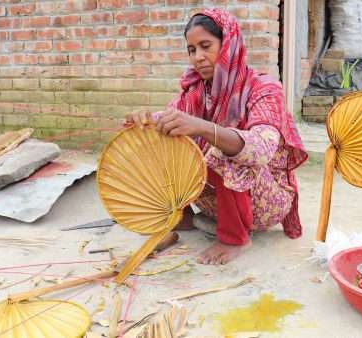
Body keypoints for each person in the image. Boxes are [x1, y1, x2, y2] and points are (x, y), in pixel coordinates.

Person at [125, 9, 307, 265]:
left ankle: (236, 238)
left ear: (228, 43)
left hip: (265, 202)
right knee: (163, 140)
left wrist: (202, 128)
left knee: (221, 149)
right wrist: (142, 121)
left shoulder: (263, 88)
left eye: (205, 46)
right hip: (214, 203)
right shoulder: (196, 91)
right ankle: (182, 216)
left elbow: (262, 149)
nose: (198, 57)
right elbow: (168, 118)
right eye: (191, 50)